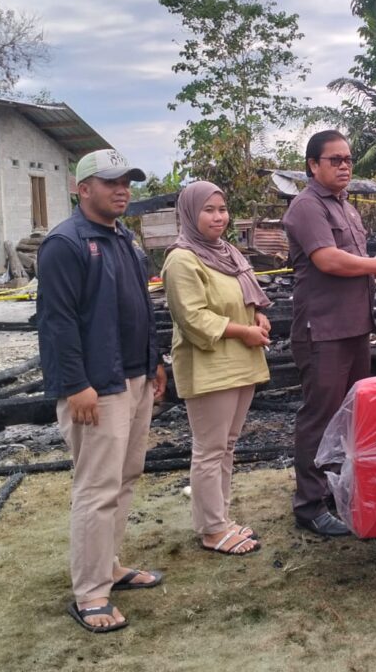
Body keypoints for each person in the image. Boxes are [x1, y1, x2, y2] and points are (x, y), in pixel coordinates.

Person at [37, 148, 167, 634]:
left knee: (126, 476)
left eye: (127, 181)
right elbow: (57, 323)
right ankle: (90, 592)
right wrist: (76, 385)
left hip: (134, 378)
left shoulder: (124, 240)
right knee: (95, 488)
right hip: (97, 387)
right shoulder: (65, 244)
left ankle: (109, 565)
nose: (122, 189)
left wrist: (155, 361)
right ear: (82, 188)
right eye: (110, 181)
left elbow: (140, 307)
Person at [283, 130, 376, 536]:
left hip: (355, 326)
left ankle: (336, 491)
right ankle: (309, 505)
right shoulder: (307, 207)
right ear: (313, 165)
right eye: (334, 160)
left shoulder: (348, 208)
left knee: (350, 416)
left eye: (348, 159)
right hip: (322, 330)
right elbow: (329, 261)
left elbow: (360, 263)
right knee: (319, 417)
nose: (344, 166)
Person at [163, 181, 270, 556]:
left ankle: (220, 519)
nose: (219, 217)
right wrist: (244, 331)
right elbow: (192, 318)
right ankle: (211, 529)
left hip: (240, 361)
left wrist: (258, 315)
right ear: (190, 214)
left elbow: (247, 295)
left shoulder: (227, 252)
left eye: (222, 209)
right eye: (209, 210)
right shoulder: (182, 259)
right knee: (209, 449)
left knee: (227, 445)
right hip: (210, 365)